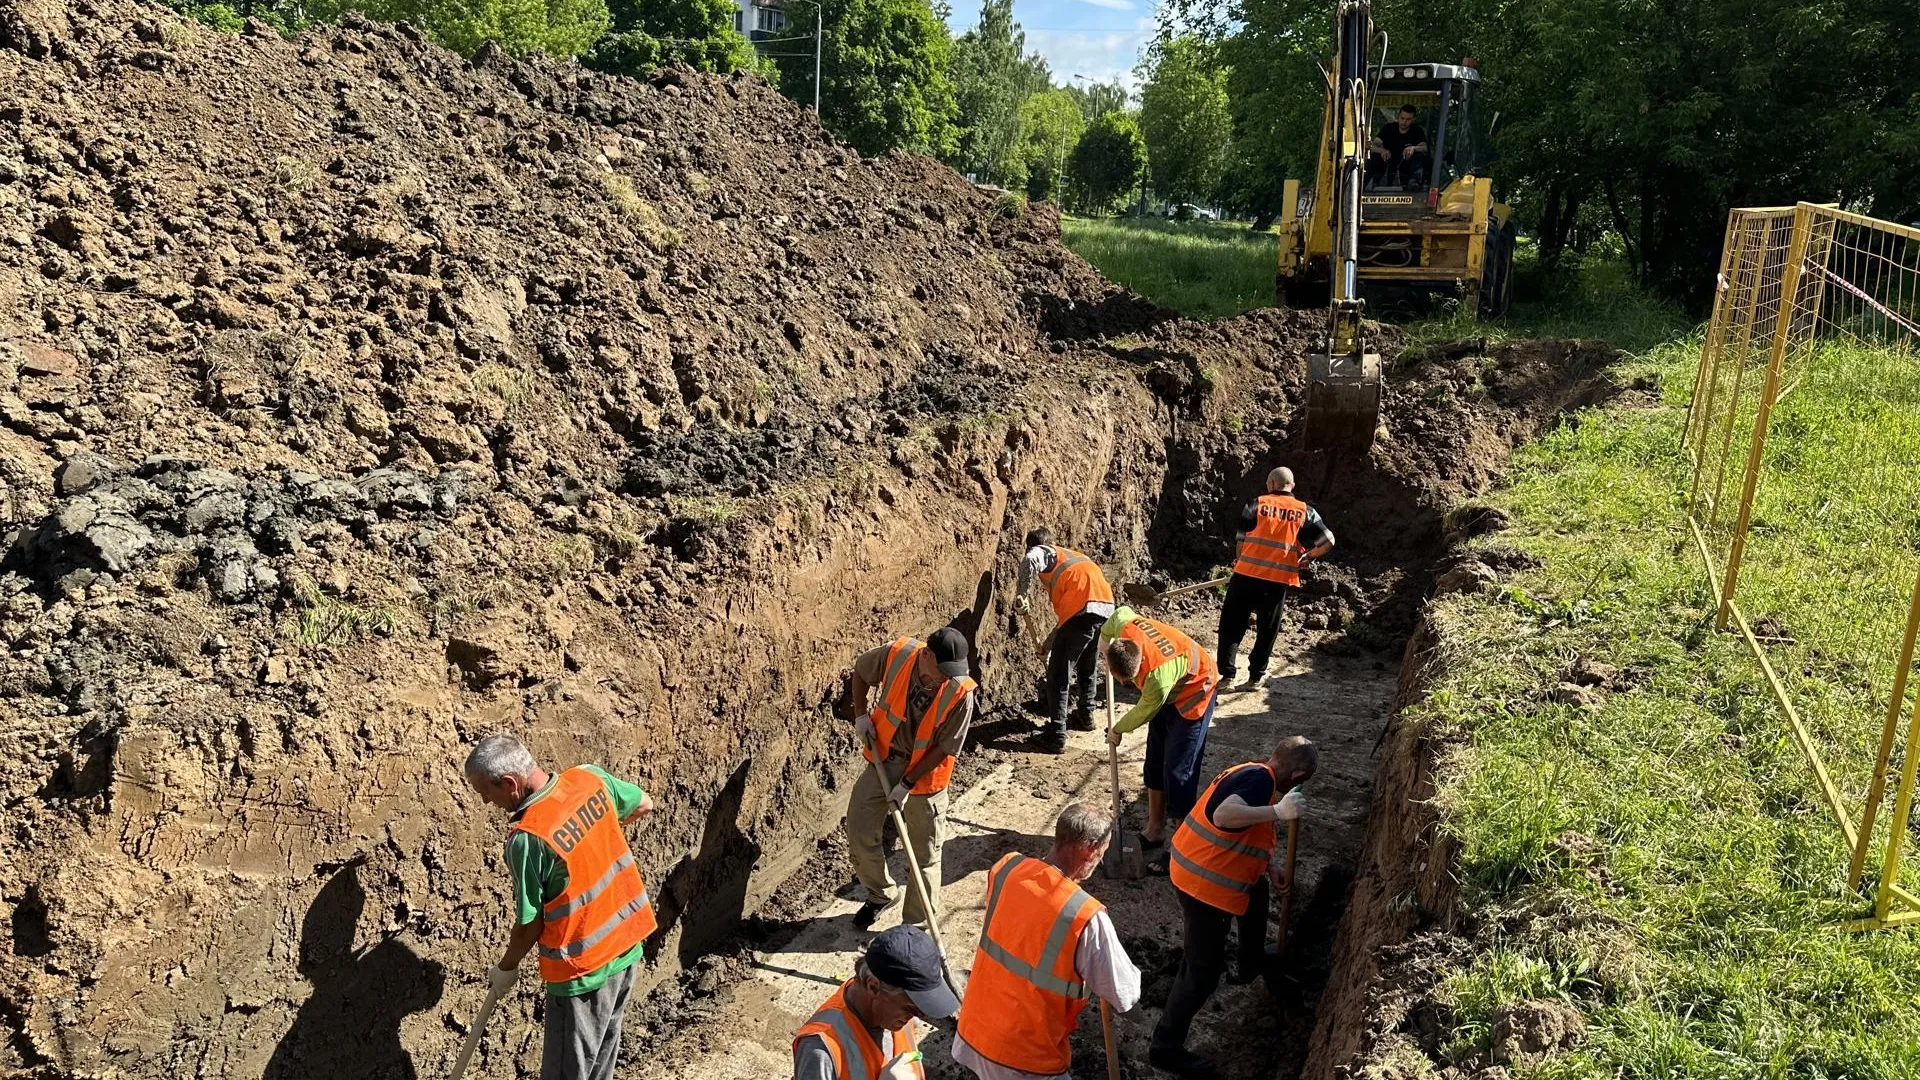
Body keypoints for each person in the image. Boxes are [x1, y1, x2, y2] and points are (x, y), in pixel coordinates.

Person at [464, 734, 657, 1080]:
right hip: (626, 950)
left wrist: (506, 969)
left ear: (509, 783)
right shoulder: (590, 779)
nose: (484, 801)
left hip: (582, 973)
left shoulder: (529, 838)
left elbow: (530, 925)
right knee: (599, 1068)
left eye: (486, 792)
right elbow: (643, 804)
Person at [1150, 737, 1318, 1078]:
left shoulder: (1256, 774)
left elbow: (1246, 832)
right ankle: (1164, 1049)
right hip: (1203, 884)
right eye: (1301, 780)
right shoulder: (1260, 782)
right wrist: (1278, 812)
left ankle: (1252, 959)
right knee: (1201, 971)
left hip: (1199, 865)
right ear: (1297, 773)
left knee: (1256, 896)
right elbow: (1225, 816)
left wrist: (1268, 867)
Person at [953, 803, 1142, 1080]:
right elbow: (1125, 994)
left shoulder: (1006, 869)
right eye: (1101, 853)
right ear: (1089, 848)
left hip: (975, 1032)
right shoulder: (1084, 916)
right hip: (1027, 1058)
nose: (1100, 860)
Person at [846, 626, 979, 930]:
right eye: (944, 670)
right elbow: (861, 670)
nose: (948, 677)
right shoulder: (900, 654)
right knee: (859, 827)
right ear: (927, 655)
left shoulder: (961, 691)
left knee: (925, 855)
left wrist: (907, 783)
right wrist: (861, 715)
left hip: (927, 776)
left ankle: (916, 927)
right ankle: (880, 894)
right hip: (886, 758)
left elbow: (946, 747)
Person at [1100, 608, 1221, 871]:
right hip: (1173, 682)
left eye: (1125, 682)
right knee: (1155, 763)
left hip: (1196, 690)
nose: (1122, 685)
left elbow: (1144, 710)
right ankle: (1154, 830)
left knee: (1179, 773)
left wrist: (1118, 729)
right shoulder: (1124, 624)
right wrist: (1103, 647)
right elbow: (1114, 619)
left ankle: (1182, 847)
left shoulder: (1155, 682)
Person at [1216, 467, 1335, 691]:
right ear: (1292, 486)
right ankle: (1255, 679)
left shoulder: (1255, 504)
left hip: (1246, 576)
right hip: (1278, 580)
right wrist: (1309, 555)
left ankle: (1227, 676)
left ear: (1271, 484)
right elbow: (1328, 540)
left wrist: (1240, 563)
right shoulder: (1305, 511)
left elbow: (1240, 541)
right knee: (1267, 630)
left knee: (1232, 625)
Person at [793, 923, 958, 1080]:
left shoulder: (892, 1006)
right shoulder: (820, 1051)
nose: (918, 1015)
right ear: (873, 987)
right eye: (911, 1009)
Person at [1014, 527, 1117, 754]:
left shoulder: (1045, 552)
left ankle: (1057, 734)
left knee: (1058, 675)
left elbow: (1031, 559)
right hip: (1104, 609)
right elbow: (1068, 623)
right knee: (1087, 665)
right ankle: (1086, 714)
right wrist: (1048, 646)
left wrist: (1021, 594)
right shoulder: (1075, 561)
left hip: (1082, 613)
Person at [1367, 104, 1430, 189]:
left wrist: (1413, 148)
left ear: (1413, 119)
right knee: (1374, 158)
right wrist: (1382, 150)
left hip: (1406, 166)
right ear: (1398, 117)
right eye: (1402, 118)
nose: (1404, 122)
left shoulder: (1417, 131)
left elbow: (1425, 148)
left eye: (1408, 119)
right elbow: (1373, 146)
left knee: (1419, 156)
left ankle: (1414, 184)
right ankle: (1362, 185)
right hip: (1387, 164)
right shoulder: (1388, 128)